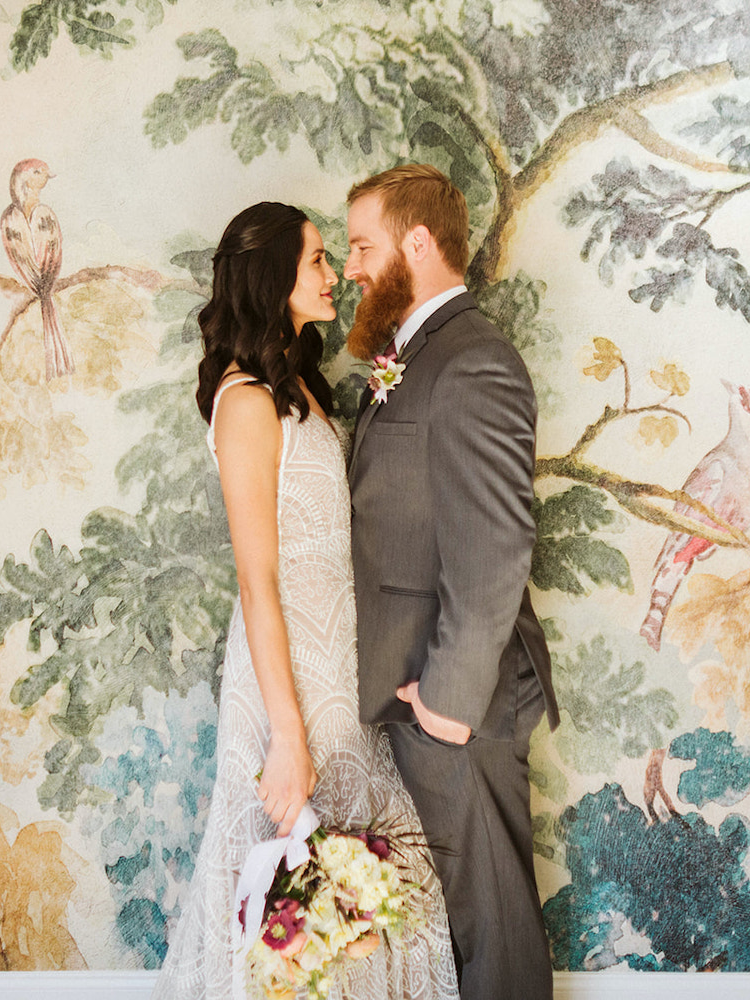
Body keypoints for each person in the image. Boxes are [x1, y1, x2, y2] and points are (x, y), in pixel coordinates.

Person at [153, 202, 458, 999]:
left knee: (362, 879)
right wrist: (287, 736)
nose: (333, 275)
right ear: (272, 277)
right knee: (304, 886)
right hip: (291, 673)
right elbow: (257, 580)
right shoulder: (247, 402)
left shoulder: (297, 387)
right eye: (317, 260)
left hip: (341, 660)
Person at [345, 165, 560, 1000]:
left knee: (494, 930)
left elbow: (497, 546)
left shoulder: (473, 361)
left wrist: (450, 702)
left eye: (364, 245)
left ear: (418, 242)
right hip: (415, 690)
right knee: (460, 929)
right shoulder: (417, 353)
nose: (355, 266)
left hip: (453, 702)